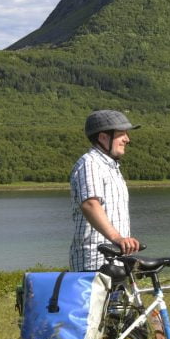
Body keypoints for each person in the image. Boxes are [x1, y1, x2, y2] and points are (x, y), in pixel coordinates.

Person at [69, 110, 142, 271]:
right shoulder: (90, 164)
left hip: (115, 259)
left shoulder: (110, 167)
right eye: (121, 134)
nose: (127, 139)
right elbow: (90, 204)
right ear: (103, 137)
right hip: (95, 262)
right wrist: (117, 237)